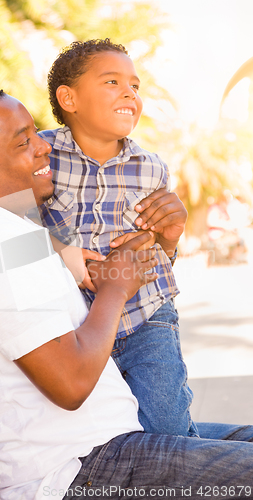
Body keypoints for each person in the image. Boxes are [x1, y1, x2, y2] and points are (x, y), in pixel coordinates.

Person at [0, 89, 253, 500]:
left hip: (106, 441)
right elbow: (70, 383)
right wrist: (115, 289)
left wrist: (99, 261)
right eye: (24, 141)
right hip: (73, 471)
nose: (44, 146)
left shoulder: (2, 234)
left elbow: (52, 283)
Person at [38, 38, 194, 436]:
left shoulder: (151, 169)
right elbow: (15, 223)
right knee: (109, 432)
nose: (129, 92)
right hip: (76, 326)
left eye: (135, 86)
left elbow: (154, 253)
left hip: (148, 317)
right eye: (112, 82)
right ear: (68, 99)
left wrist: (168, 245)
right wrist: (60, 250)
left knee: (166, 426)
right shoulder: (42, 157)